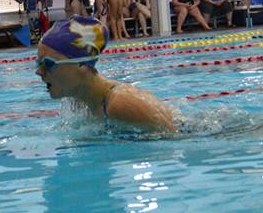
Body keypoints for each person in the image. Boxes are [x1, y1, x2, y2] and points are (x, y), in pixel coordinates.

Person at [35, 16, 176, 133]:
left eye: (48, 64)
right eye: (38, 64)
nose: (39, 72)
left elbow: (175, 139)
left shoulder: (121, 103)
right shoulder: (76, 100)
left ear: (82, 65)